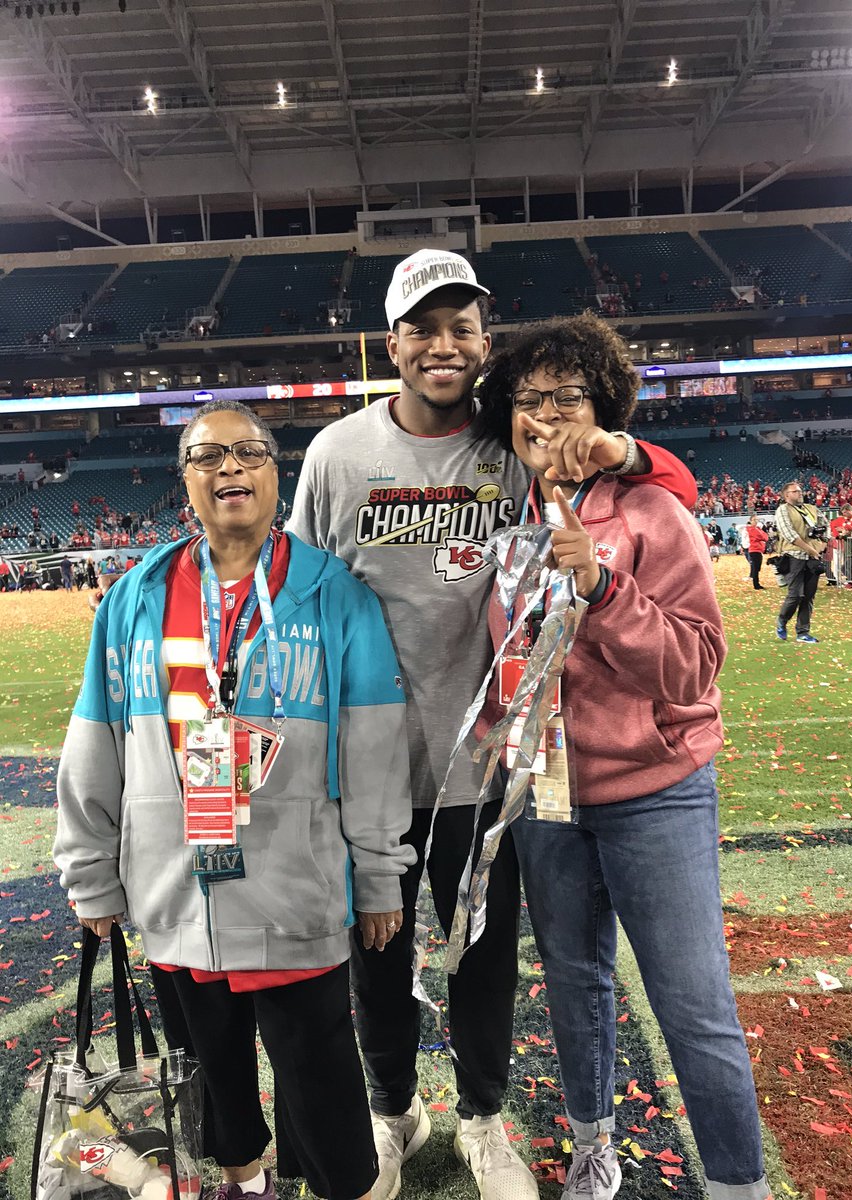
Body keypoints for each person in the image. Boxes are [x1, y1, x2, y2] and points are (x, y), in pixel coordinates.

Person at [288, 249, 697, 1200]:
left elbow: (667, 482)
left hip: (489, 766)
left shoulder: (515, 445)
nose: (443, 346)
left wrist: (624, 451)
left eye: (462, 329)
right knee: (376, 964)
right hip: (370, 772)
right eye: (423, 329)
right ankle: (395, 1111)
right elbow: (301, 600)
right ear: (391, 343)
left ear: (483, 342)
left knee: (482, 960)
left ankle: (481, 1117)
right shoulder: (336, 455)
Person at [54, 399, 414, 1200]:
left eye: (248, 452)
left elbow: (375, 748)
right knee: (210, 1068)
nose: (230, 469)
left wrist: (380, 873)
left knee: (319, 1072)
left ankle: (347, 1187)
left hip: (295, 888)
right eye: (208, 456)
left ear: (275, 473)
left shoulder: (335, 596)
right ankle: (244, 1181)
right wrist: (91, 870)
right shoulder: (133, 599)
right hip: (174, 886)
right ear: (184, 480)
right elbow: (96, 741)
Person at [477, 312, 772, 1200]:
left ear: (603, 407)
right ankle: (592, 1145)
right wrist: (499, 735)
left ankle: (737, 1184)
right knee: (575, 985)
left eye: (567, 395)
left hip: (655, 792)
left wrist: (604, 589)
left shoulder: (652, 510)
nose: (545, 414)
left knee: (692, 1002)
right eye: (528, 398)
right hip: (548, 796)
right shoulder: (508, 518)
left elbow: (695, 666)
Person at [774, 480, 827, 643]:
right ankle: (782, 620)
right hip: (794, 556)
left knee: (808, 596)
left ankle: (803, 632)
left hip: (812, 558)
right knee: (795, 594)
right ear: (786, 495)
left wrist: (822, 544)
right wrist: (810, 549)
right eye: (795, 491)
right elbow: (790, 535)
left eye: (800, 490)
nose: (800, 493)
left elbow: (826, 526)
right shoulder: (783, 510)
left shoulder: (811, 508)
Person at [746, 514, 768, 589]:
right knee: (756, 568)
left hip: (758, 550)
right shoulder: (751, 529)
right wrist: (763, 537)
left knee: (757, 568)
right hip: (754, 550)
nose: (756, 521)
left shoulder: (757, 528)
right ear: (750, 521)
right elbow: (762, 536)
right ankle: (756, 584)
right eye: (754, 520)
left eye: (757, 520)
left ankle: (756, 583)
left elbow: (765, 536)